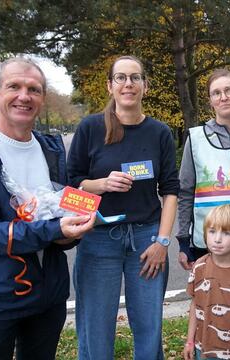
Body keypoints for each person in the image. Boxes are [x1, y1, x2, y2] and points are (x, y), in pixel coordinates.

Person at [0, 57, 96, 360]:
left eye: (33, 89)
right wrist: (54, 229)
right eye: (15, 86)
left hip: (47, 298)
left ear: (42, 98)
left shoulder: (50, 149)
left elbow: (56, 216)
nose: (24, 96)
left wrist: (70, 235)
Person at [67, 55, 179, 360]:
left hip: (147, 241)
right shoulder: (90, 127)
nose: (128, 83)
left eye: (135, 77)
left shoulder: (159, 133)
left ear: (144, 85)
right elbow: (70, 184)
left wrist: (162, 242)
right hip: (98, 238)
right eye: (121, 78)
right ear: (110, 86)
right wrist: (100, 184)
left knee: (148, 326)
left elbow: (170, 191)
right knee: (95, 327)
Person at [177, 69, 230, 270]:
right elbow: (185, 192)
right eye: (216, 93)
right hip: (209, 243)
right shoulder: (195, 139)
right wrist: (183, 241)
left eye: (229, 90)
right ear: (210, 100)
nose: (224, 97)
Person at [183, 204, 230, 360]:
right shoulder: (199, 266)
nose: (217, 239)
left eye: (226, 233)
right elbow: (194, 305)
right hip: (203, 347)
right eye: (212, 232)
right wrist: (189, 341)